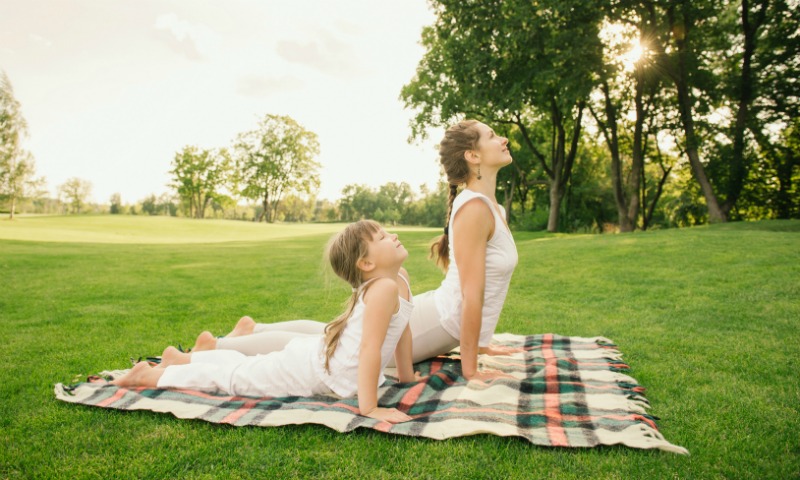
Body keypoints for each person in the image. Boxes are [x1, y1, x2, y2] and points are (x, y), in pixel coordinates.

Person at [193, 120, 520, 382]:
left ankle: (254, 330)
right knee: (329, 348)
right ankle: (219, 346)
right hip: (440, 321)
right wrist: (471, 368)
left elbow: (483, 289)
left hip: (440, 315)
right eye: (492, 136)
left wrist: (482, 345)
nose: (502, 139)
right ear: (473, 156)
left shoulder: (492, 209)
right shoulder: (475, 208)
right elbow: (471, 294)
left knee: (336, 334)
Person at [111, 220, 417, 424]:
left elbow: (402, 329)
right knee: (236, 379)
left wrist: (406, 378)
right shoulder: (385, 288)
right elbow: (369, 349)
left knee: (248, 369)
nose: (394, 236)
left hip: (323, 362)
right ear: (366, 263)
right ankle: (151, 377)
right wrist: (370, 409)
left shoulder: (398, 279)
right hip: (315, 370)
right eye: (383, 237)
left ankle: (181, 360)